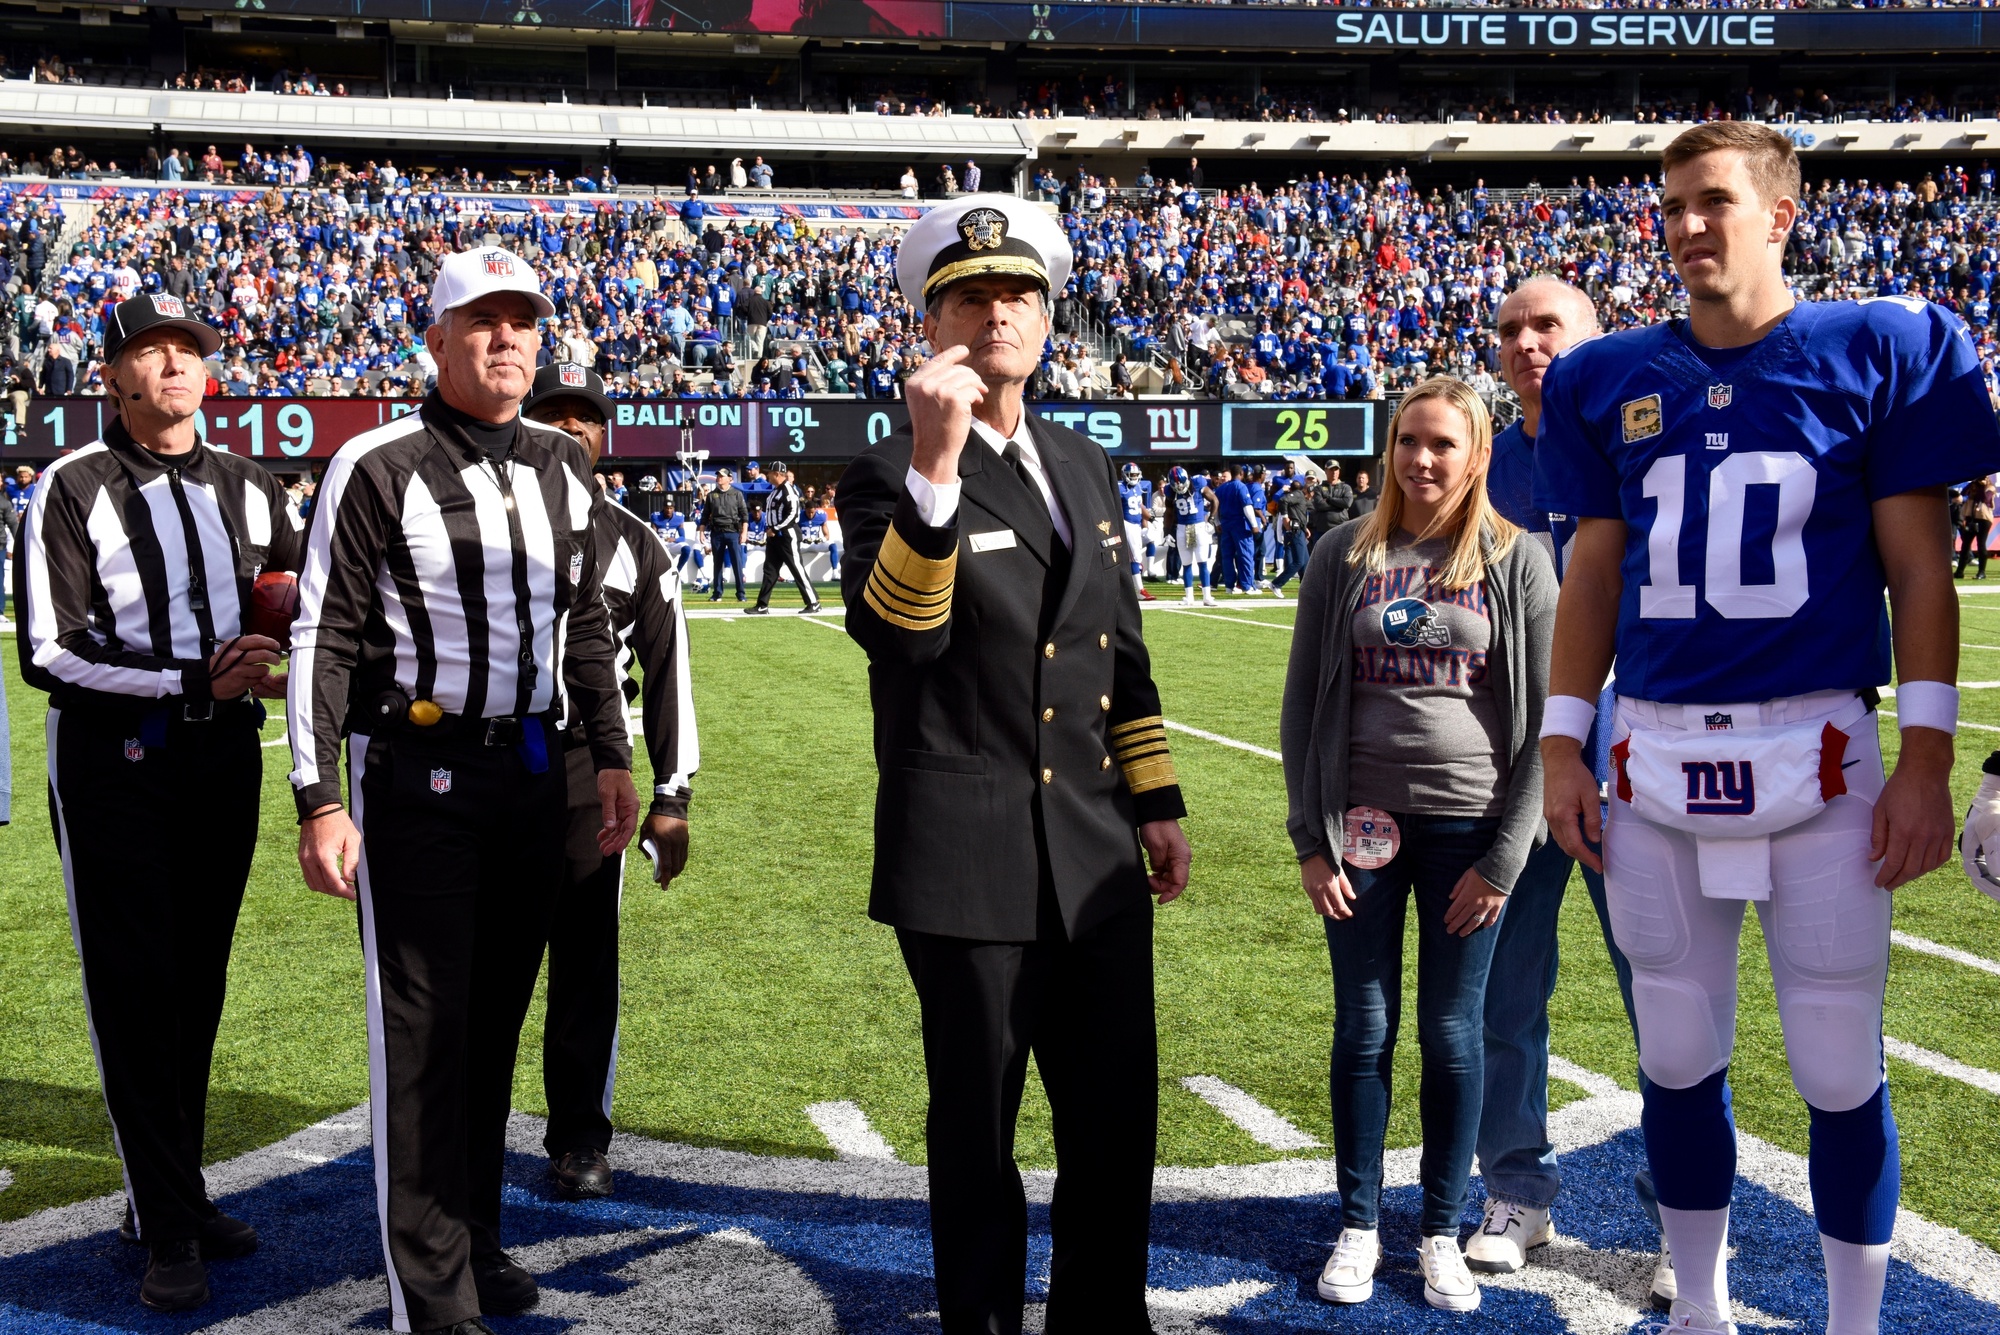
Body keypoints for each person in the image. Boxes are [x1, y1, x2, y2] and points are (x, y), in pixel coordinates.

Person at [1535, 122, 2000, 1335]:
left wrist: (1928, 755)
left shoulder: (1875, 347)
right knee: (1675, 1054)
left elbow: (1918, 571)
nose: (1686, 225)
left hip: (1823, 755)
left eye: (1711, 202)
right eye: (1671, 206)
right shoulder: (1606, 377)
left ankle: (1852, 1324)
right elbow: (1591, 577)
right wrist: (1556, 745)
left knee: (1837, 1065)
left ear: (1778, 214)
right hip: (1653, 758)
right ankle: (1698, 1308)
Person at [839, 193, 1191, 1335]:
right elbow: (903, 639)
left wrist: (1155, 799)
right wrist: (935, 473)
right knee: (977, 1126)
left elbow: (1116, 648)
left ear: (1048, 321)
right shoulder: (885, 467)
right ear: (928, 320)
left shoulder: (1083, 463)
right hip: (966, 847)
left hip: (1091, 851)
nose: (998, 310)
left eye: (1019, 293)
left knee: (1112, 1116)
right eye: (971, 293)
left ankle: (1101, 1318)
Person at [289, 248, 638, 1335]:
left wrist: (614, 752)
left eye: (521, 322)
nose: (504, 341)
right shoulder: (377, 462)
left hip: (533, 774)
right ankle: (429, 1303)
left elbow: (583, 624)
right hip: (418, 779)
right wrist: (317, 796)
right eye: (479, 323)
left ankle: (475, 1241)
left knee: (490, 1031)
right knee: (428, 1036)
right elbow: (323, 635)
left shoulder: (561, 466)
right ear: (434, 341)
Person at [14, 293, 301, 1313]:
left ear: (208, 375)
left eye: (188, 351)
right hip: (116, 760)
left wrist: (280, 645)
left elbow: (295, 589)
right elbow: (47, 652)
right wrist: (191, 682)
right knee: (137, 988)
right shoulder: (70, 488)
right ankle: (168, 1218)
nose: (173, 366)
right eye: (150, 351)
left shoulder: (249, 486)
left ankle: (165, 1192)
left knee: (199, 983)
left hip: (224, 754)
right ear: (114, 377)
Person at [1281, 376, 1555, 1316]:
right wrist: (1309, 841)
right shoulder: (1342, 553)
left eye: (1443, 444)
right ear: (1388, 448)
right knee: (1363, 1027)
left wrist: (1504, 857)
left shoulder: (1517, 560)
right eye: (1408, 441)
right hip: (1360, 828)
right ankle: (1359, 1222)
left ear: (1477, 454)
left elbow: (1548, 723)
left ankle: (1439, 1228)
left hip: (1469, 834)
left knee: (1451, 1030)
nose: (1422, 460)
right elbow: (1298, 706)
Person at [1473, 277, 1669, 1291]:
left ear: (1600, 339)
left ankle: (1682, 1209)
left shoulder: (1649, 446)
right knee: (1505, 997)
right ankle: (1515, 1189)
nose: (1525, 342)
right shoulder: (1481, 464)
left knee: (1666, 999)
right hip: (1509, 771)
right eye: (1509, 328)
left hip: (1631, 760)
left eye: (1547, 324)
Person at [522, 361, 699, 1200]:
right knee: (475, 960)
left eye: (584, 418)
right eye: (552, 413)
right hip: (484, 756)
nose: (569, 428)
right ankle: (456, 1125)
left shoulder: (638, 540)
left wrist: (673, 795)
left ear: (605, 438)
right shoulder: (480, 518)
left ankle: (580, 1135)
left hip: (591, 765)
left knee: (587, 958)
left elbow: (669, 675)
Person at [749, 459, 819, 613]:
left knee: (796, 568)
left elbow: (793, 515)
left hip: (788, 535)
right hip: (775, 536)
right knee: (770, 570)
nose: (767, 475)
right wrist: (771, 529)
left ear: (776, 474)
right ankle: (762, 605)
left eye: (769, 472)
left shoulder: (789, 490)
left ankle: (813, 602)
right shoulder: (775, 490)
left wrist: (774, 528)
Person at [1168, 465, 1217, 606]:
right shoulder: (1169, 490)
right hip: (1182, 528)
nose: (1179, 486)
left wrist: (1211, 520)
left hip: (1198, 525)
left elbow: (1215, 500)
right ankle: (1189, 597)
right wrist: (1167, 533)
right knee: (1186, 563)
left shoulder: (1198, 482)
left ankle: (1207, 597)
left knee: (1202, 562)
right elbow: (1169, 513)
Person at [703, 467, 750, 602]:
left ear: (730, 478)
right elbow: (705, 515)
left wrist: (744, 532)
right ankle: (717, 592)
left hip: (733, 532)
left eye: (722, 476)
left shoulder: (737, 494)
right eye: (718, 476)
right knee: (717, 564)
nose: (719, 478)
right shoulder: (711, 495)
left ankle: (741, 593)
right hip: (716, 532)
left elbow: (744, 515)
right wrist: (701, 531)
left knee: (737, 563)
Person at [1117, 461, 1154, 601]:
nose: (1133, 477)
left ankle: (1133, 589)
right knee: (1135, 558)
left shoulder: (1138, 487)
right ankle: (1140, 590)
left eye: (1135, 475)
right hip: (1126, 524)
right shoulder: (1119, 487)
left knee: (1133, 558)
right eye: (1131, 475)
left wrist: (1149, 519)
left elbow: (1140, 505)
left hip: (1136, 525)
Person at [1272, 471, 1312, 595]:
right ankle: (1276, 583)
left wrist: (1305, 528)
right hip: (1295, 531)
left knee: (1305, 561)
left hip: (1299, 529)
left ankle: (1307, 589)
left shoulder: (1300, 499)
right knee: (1299, 561)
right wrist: (1285, 517)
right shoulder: (1299, 495)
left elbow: (1298, 514)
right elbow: (1283, 500)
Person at [1955, 479, 1992, 579]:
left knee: (1981, 544)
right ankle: (1960, 571)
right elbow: (1963, 493)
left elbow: (1985, 499)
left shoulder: (1989, 487)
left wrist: (1982, 486)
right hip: (1970, 517)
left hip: (1983, 518)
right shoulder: (1972, 485)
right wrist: (1972, 484)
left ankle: (1981, 572)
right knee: (1965, 545)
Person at [1310, 463, 1354, 545]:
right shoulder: (1318, 488)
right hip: (1322, 530)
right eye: (1331, 470)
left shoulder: (1345, 487)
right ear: (1326, 471)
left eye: (1336, 469)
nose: (1334, 472)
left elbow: (1347, 503)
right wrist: (1339, 505)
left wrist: (1329, 500)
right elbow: (1319, 505)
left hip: (1340, 528)